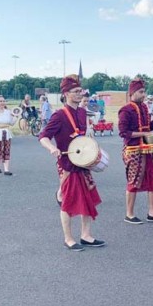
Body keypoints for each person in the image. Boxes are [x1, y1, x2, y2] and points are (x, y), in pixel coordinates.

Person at [39, 74, 105, 251]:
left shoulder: (83, 112)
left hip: (83, 163)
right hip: (67, 165)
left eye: (80, 91)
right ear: (66, 94)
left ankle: (86, 235)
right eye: (76, 91)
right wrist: (52, 148)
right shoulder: (59, 115)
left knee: (88, 199)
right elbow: (43, 137)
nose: (80, 94)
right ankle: (68, 238)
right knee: (68, 202)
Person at [119, 78, 153, 225]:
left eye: (144, 91)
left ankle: (152, 213)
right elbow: (123, 133)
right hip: (133, 150)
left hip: (147, 150)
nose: (144, 94)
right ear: (132, 93)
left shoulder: (144, 108)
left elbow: (146, 129)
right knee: (133, 181)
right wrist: (143, 134)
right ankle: (129, 214)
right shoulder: (125, 110)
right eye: (141, 92)